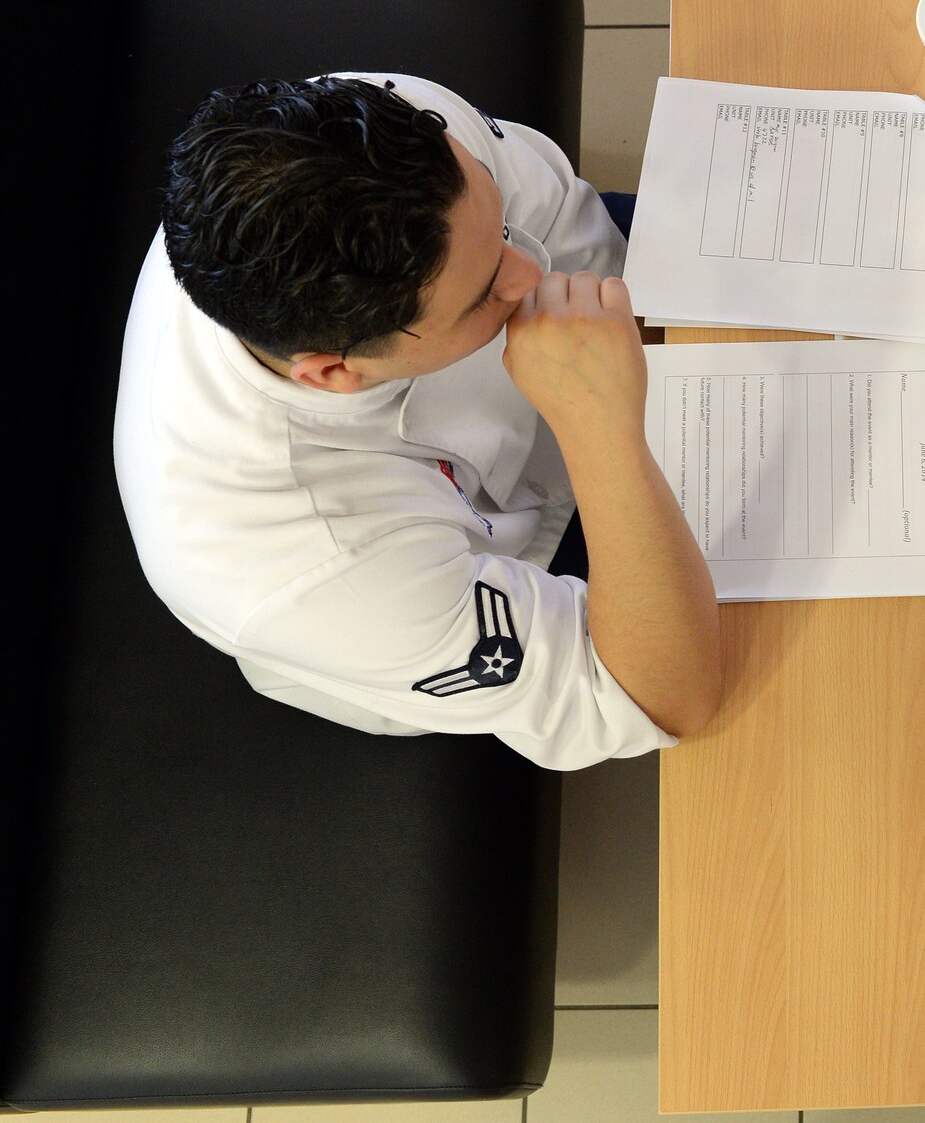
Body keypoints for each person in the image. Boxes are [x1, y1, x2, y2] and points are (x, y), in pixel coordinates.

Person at [114, 73, 721, 770]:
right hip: (477, 566)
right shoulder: (311, 570)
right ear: (335, 371)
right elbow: (662, 695)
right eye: (484, 294)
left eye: (499, 229)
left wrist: (633, 356)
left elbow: (582, 245)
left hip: (575, 417)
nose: (530, 274)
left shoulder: (405, 132)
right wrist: (604, 433)